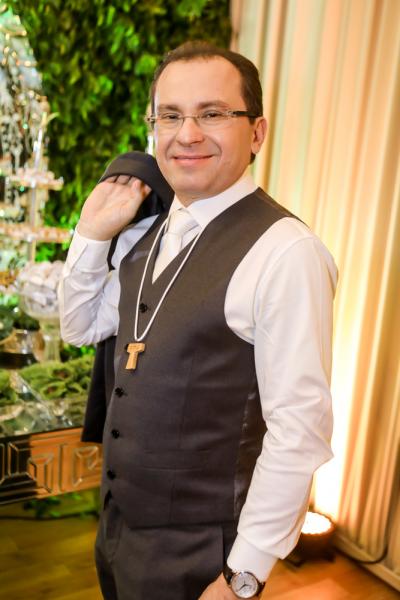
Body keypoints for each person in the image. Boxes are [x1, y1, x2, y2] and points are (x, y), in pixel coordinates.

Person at [59, 41, 337, 600]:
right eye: (169, 116)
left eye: (212, 114)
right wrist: (91, 234)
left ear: (256, 133)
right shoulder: (149, 230)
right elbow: (80, 326)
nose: (186, 134)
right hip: (119, 531)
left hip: (205, 555)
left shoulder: (287, 253)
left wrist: (243, 577)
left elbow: (299, 430)